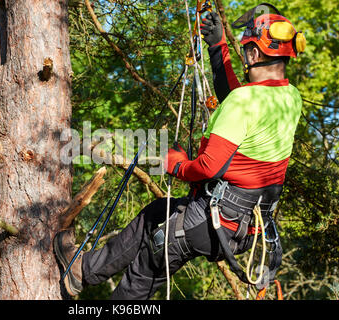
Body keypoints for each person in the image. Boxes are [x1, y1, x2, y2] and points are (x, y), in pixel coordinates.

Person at [54, 3, 304, 300]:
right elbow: (240, 99)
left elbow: (209, 167)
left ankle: (90, 279)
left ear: (253, 54)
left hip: (212, 221)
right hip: (243, 227)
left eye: (246, 50)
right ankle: (83, 272)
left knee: (142, 274)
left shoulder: (244, 101)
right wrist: (217, 49)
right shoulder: (290, 97)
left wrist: (176, 165)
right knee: (155, 213)